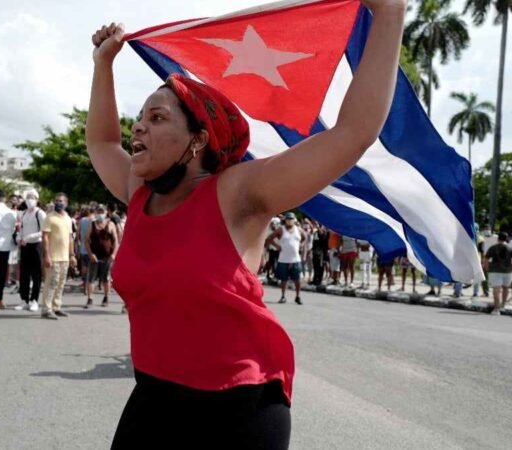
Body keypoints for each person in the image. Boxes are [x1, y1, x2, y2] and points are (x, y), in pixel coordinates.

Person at [87, 2, 405, 445]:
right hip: (154, 396)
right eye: (139, 119)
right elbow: (102, 141)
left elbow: (352, 133)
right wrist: (105, 64)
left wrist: (390, 13)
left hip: (238, 408)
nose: (137, 129)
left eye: (156, 118)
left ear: (198, 140)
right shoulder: (138, 193)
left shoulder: (236, 194)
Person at [40, 193, 76, 319]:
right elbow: (44, 237)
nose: (58, 203)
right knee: (51, 283)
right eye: (56, 201)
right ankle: (46, 309)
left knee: (60, 283)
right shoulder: (50, 218)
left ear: (66, 203)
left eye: (61, 201)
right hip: (53, 257)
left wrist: (72, 255)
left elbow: (70, 238)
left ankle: (56, 306)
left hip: (64, 257)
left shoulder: (68, 218)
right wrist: (46, 256)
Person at [16, 191, 46, 312]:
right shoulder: (23, 213)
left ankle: (34, 300)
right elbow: (20, 229)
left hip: (35, 245)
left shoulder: (40, 213)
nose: (29, 200)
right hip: (24, 246)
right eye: (28, 197)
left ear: (37, 199)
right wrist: (19, 237)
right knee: (24, 274)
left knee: (36, 274)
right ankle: (24, 299)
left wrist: (28, 237)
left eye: (32, 198)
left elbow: (43, 231)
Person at [84, 204, 119, 308]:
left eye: (102, 212)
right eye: (98, 212)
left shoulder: (111, 224)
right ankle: (90, 299)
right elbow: (86, 240)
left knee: (106, 278)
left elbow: (116, 241)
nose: (100, 214)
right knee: (91, 278)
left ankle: (106, 297)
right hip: (95, 256)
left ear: (106, 213)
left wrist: (114, 254)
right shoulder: (92, 224)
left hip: (107, 256)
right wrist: (90, 254)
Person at [267, 212, 303, 304]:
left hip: (296, 258)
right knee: (284, 279)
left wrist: (301, 246)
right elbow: (269, 238)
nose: (290, 221)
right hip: (283, 258)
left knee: (297, 279)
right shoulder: (281, 230)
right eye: (288, 219)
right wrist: (277, 246)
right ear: (285, 220)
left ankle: (298, 296)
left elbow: (305, 237)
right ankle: (283, 296)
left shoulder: (298, 229)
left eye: (291, 219)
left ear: (294, 220)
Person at [484, 232, 512, 315]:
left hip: (495, 271)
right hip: (508, 271)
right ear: (507, 239)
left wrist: (487, 268)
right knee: (506, 288)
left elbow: (486, 259)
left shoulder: (493, 248)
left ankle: (496, 308)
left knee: (496, 290)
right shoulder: (511, 248)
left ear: (498, 238)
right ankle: (503, 305)